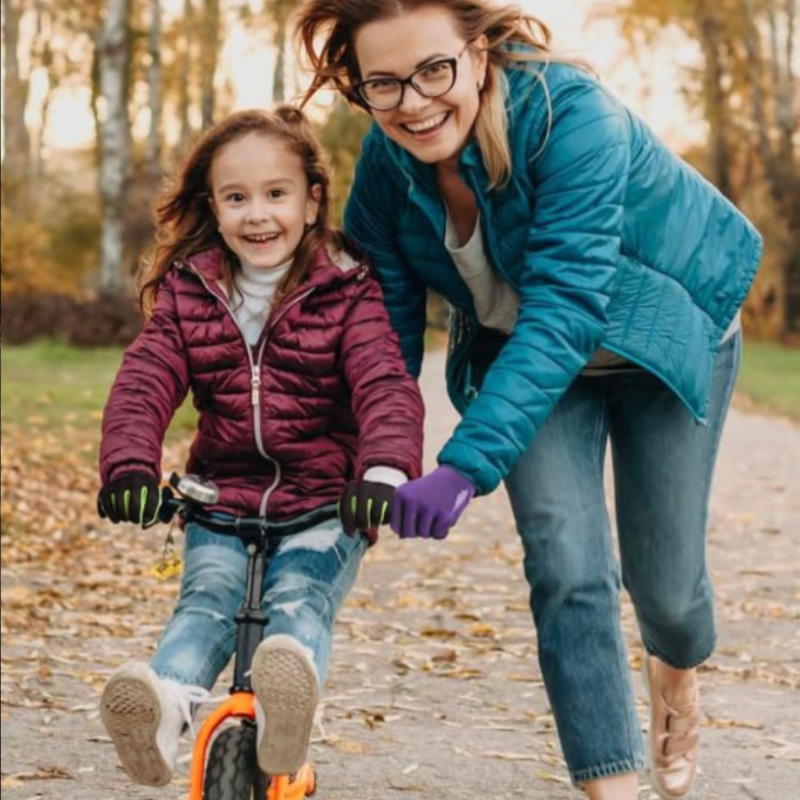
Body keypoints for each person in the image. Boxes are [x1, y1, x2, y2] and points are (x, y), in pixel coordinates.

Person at [294, 2, 762, 798]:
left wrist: (465, 465)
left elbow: (566, 308)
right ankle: (608, 783)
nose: (412, 102)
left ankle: (675, 672)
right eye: (384, 83)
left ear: (480, 55)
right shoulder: (385, 169)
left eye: (433, 70)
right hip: (532, 362)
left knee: (669, 594)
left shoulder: (572, 118)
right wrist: (355, 455)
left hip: (663, 339)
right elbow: (384, 337)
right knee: (565, 562)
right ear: (360, 88)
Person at [96, 105, 424, 787]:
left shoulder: (347, 288)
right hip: (221, 497)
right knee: (206, 601)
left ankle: (284, 712)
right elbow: (145, 380)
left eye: (276, 194)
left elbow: (384, 383)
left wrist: (385, 470)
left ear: (311, 202)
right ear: (213, 209)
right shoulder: (193, 291)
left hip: (324, 503)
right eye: (236, 197)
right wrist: (130, 463)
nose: (257, 214)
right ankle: (165, 705)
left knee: (299, 598)